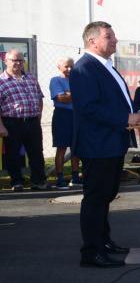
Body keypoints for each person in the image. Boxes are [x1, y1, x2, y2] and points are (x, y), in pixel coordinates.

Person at [71, 21, 140, 267]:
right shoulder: (84, 68)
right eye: (109, 36)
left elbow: (116, 102)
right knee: (95, 197)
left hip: (112, 142)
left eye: (113, 35)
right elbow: (88, 108)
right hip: (97, 144)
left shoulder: (106, 66)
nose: (115, 39)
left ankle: (103, 241)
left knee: (106, 195)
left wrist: (137, 112)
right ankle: (91, 252)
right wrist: (126, 118)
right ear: (93, 41)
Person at [0, 49, 47, 191]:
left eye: (21, 60)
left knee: (36, 153)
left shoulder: (31, 78)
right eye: (14, 60)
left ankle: (38, 182)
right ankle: (17, 182)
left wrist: (38, 116)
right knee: (12, 154)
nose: (18, 63)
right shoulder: (1, 81)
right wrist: (1, 127)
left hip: (32, 122)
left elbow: (39, 98)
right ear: (5, 61)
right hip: (12, 123)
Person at [50, 57, 81, 189]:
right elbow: (62, 98)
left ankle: (75, 177)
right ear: (59, 66)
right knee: (61, 148)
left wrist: (70, 94)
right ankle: (60, 178)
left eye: (71, 67)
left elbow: (75, 96)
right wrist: (76, 94)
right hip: (62, 115)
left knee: (76, 148)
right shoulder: (55, 80)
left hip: (77, 116)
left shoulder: (77, 80)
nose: (69, 69)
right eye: (66, 66)